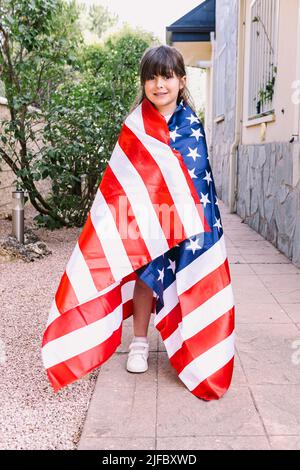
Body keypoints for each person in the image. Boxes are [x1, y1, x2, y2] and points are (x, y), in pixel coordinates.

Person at [42, 44, 235, 401]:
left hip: (189, 221)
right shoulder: (136, 125)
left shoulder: (191, 125)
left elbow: (197, 177)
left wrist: (183, 215)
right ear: (143, 82)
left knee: (188, 276)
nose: (159, 85)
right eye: (151, 77)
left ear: (181, 80)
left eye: (166, 76)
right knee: (146, 276)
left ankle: (191, 343)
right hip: (147, 220)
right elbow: (124, 180)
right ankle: (141, 343)